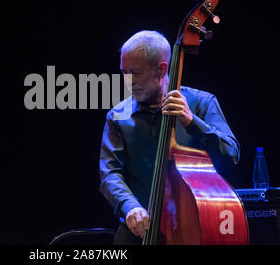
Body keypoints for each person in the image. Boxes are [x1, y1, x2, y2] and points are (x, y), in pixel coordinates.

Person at [99, 30, 240, 244]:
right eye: (124, 72)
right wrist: (130, 206)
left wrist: (192, 122)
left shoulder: (202, 104)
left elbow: (231, 154)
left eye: (135, 73)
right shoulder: (118, 116)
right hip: (140, 232)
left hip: (194, 227)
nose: (128, 81)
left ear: (161, 69)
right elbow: (110, 172)